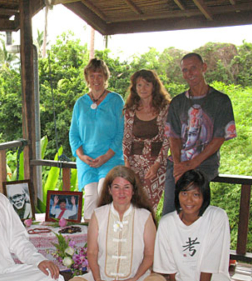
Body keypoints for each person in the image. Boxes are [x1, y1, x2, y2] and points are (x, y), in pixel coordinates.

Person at [66, 166, 166, 281]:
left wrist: (132, 280)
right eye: (116, 187)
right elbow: (91, 252)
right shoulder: (98, 214)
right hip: (103, 280)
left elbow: (149, 255)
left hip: (134, 280)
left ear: (133, 191)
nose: (121, 192)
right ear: (109, 190)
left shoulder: (144, 216)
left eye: (126, 187)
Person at [154, 170, 234, 281]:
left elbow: (210, 261)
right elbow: (170, 269)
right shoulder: (168, 223)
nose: (189, 200)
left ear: (204, 196)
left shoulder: (216, 217)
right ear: (177, 195)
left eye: (196, 194)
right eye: (184, 193)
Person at [162, 53, 237, 215]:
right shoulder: (178, 102)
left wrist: (191, 164)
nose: (189, 73)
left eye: (193, 68)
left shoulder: (220, 101)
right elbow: (173, 136)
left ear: (204, 68)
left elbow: (219, 138)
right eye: (185, 70)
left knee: (193, 211)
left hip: (205, 164)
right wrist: (178, 165)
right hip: (178, 163)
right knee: (170, 212)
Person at [69, 58, 124, 221]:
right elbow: (73, 134)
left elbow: (121, 133)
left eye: (99, 75)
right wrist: (81, 156)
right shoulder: (80, 103)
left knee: (103, 193)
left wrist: (105, 157)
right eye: (92, 76)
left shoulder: (115, 100)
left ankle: (107, 238)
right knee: (90, 196)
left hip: (110, 158)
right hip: (86, 160)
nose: (96, 80)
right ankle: (87, 239)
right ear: (87, 79)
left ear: (105, 77)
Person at [123, 69, 171, 212]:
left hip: (156, 165)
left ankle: (149, 234)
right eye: (139, 85)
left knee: (149, 207)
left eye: (147, 84)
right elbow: (126, 139)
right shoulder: (130, 110)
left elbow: (167, 140)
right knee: (131, 205)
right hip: (134, 163)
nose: (142, 88)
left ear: (154, 86)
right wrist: (127, 165)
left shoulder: (165, 108)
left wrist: (157, 165)